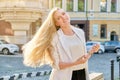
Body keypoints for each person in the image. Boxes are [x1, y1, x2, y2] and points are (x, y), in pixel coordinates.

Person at [22, 7, 100, 80]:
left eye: (63, 14)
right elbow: (57, 65)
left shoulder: (80, 33)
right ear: (56, 23)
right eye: (59, 18)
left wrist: (91, 51)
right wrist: (76, 63)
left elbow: (83, 58)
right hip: (64, 76)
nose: (63, 18)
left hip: (82, 74)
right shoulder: (53, 38)